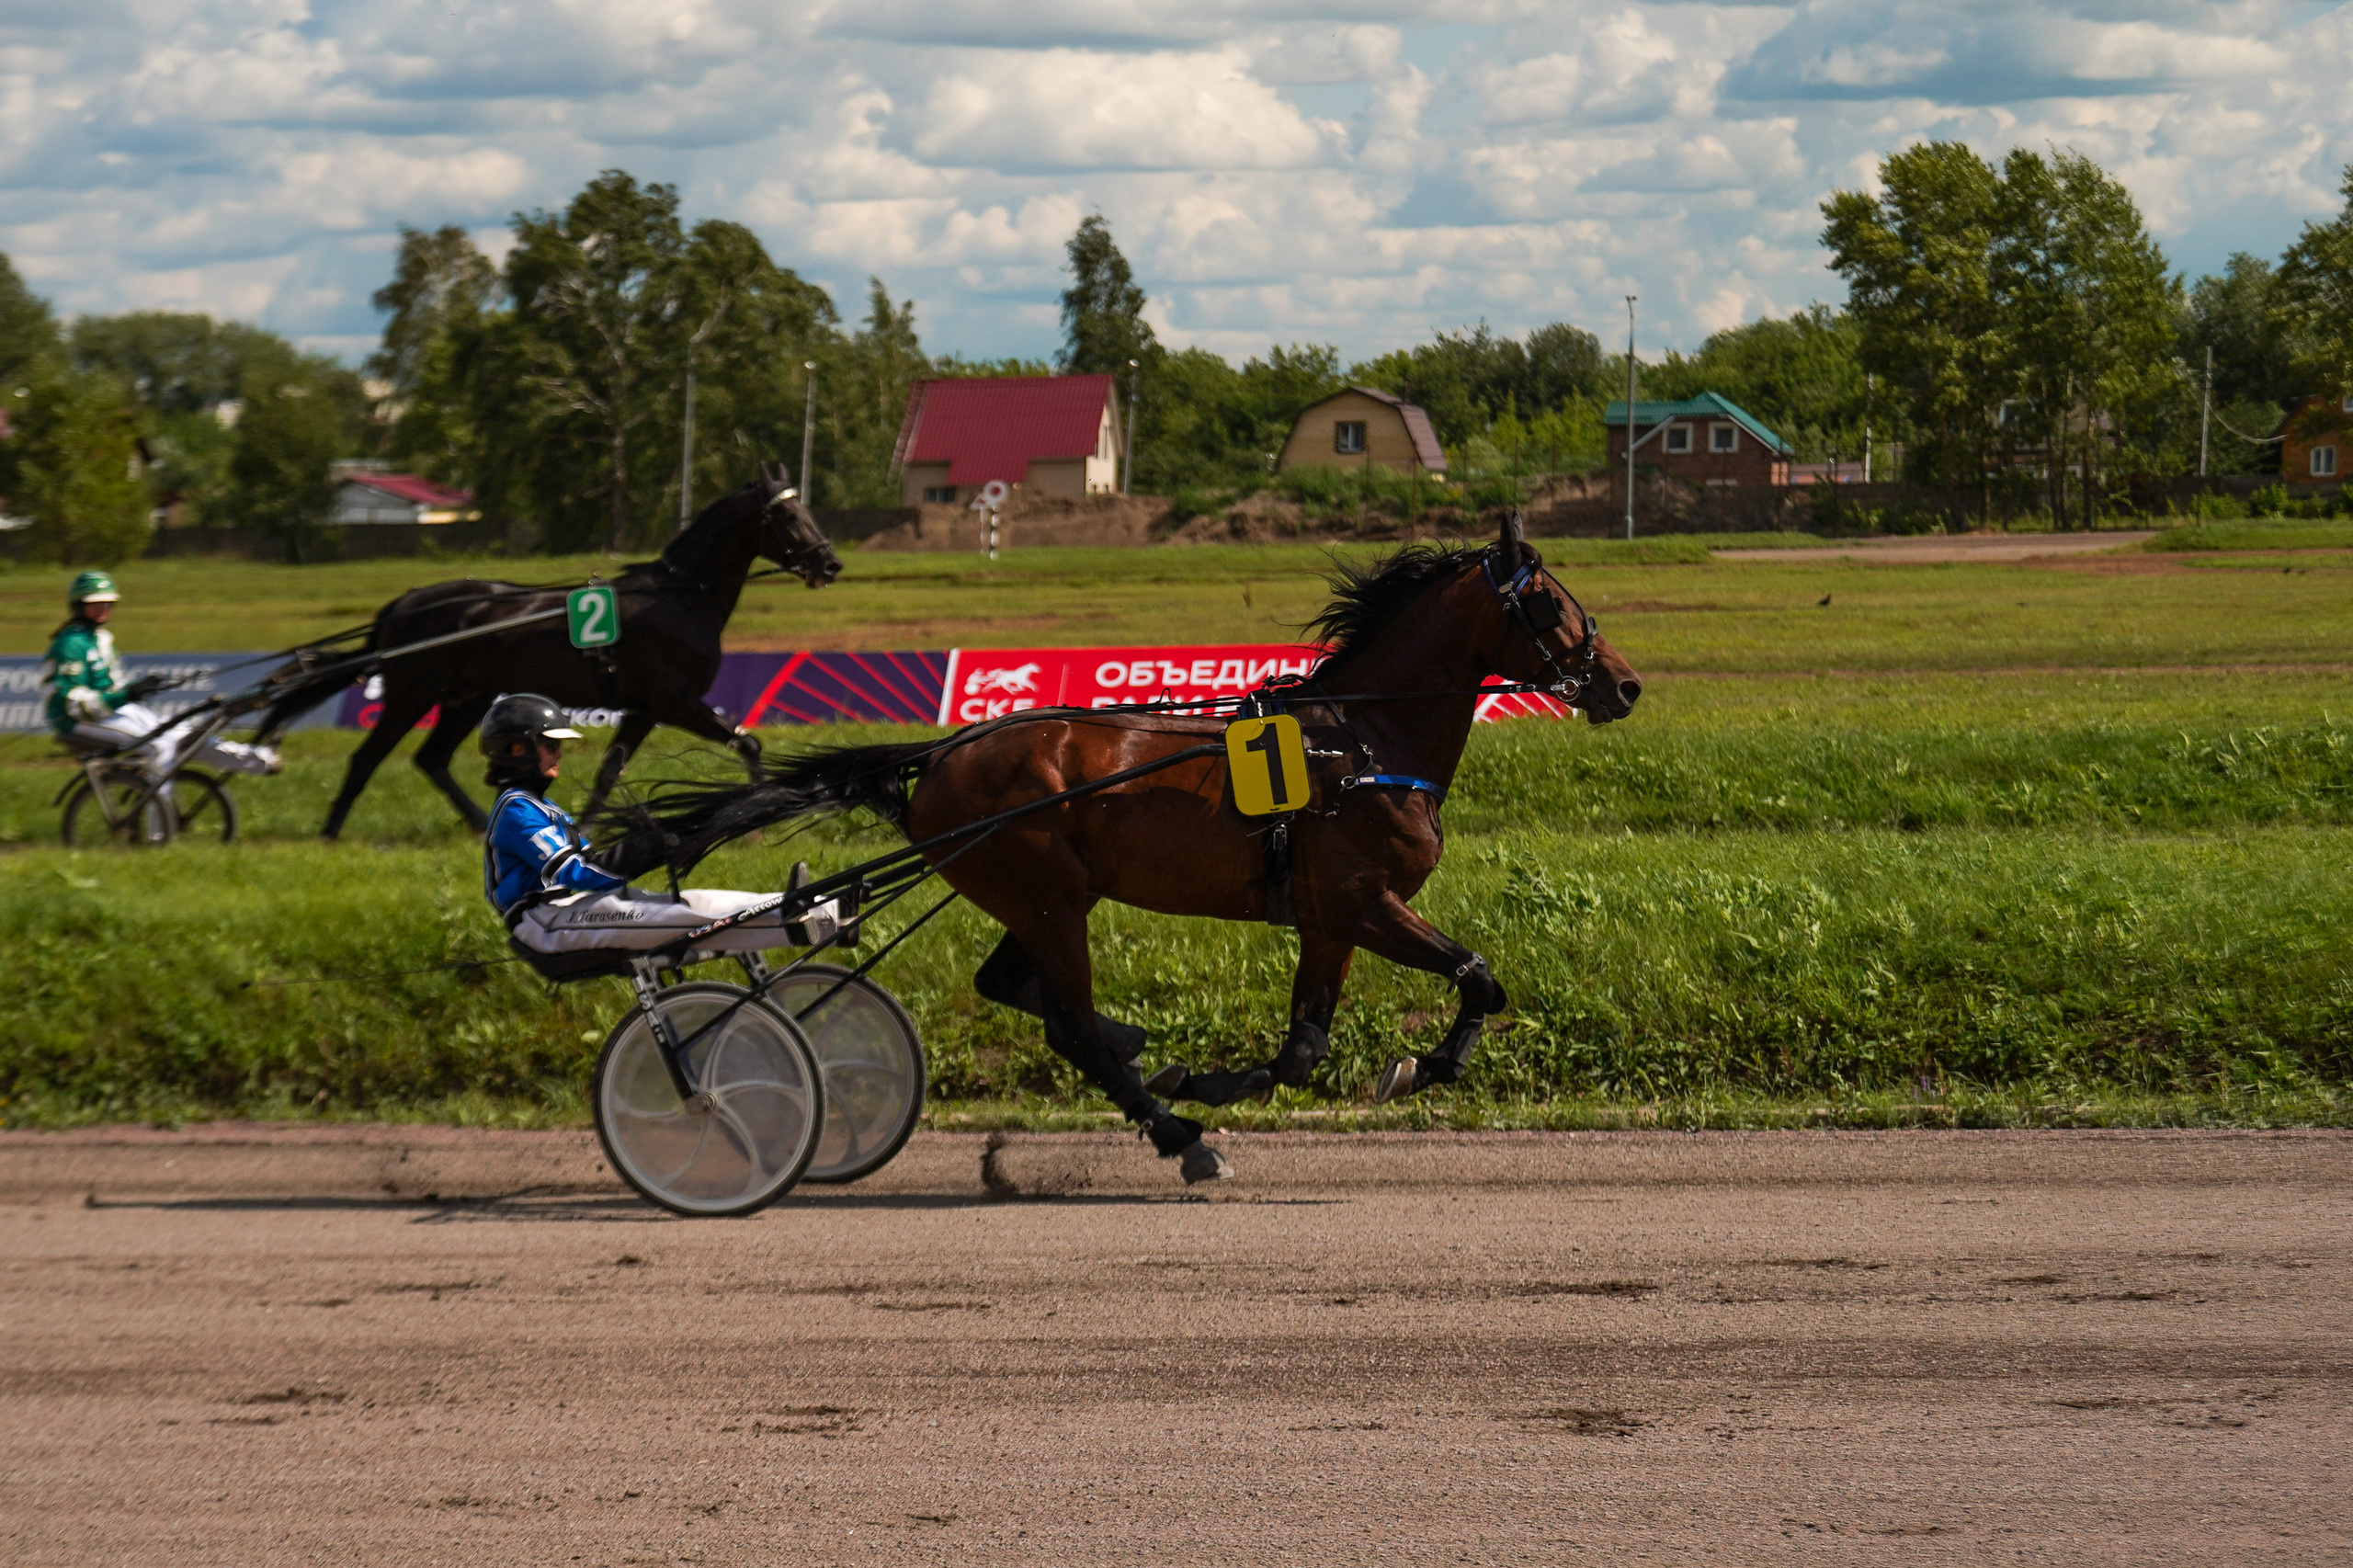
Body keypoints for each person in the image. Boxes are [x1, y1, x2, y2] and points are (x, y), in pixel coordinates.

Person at [479, 692, 840, 957]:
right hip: (544, 922)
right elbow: (578, 872)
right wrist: (643, 849)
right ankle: (791, 917)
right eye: (548, 744)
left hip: (570, 909)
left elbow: (594, 868)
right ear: (516, 750)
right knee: (678, 918)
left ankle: (828, 912)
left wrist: (654, 846)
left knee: (696, 901)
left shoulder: (540, 806)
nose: (558, 753)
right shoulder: (517, 811)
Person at [42, 570, 280, 777]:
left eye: (108, 603)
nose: (103, 609)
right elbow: (75, 705)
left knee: (183, 733)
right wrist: (125, 695)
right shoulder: (70, 644)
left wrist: (137, 687)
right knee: (161, 746)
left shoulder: (102, 639)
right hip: (76, 721)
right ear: (79, 606)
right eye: (95, 604)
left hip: (107, 711)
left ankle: (257, 760)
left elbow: (113, 688)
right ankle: (158, 825)